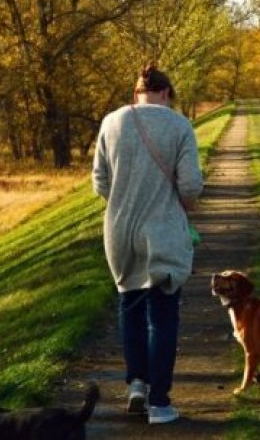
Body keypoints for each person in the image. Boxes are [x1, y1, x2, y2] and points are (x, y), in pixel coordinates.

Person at [92, 63, 203, 424]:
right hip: (162, 233)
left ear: (135, 93)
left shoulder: (111, 122)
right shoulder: (179, 125)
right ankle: (159, 404)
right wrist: (178, 202)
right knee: (163, 317)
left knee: (130, 308)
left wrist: (126, 198)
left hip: (120, 233)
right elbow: (189, 188)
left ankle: (136, 384)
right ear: (167, 93)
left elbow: (100, 184)